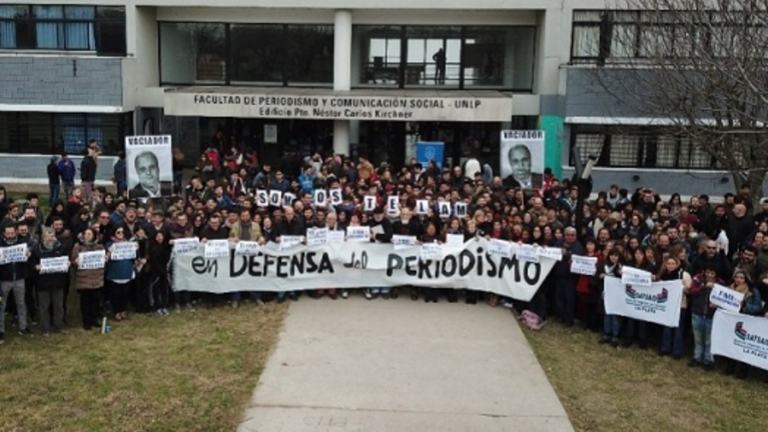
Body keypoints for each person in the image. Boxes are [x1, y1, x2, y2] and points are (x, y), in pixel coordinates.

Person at [31, 227, 69, 336]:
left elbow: (66, 259)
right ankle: (45, 329)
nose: (50, 238)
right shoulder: (36, 249)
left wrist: (67, 263)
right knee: (44, 307)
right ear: (43, 237)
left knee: (58, 306)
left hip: (58, 282)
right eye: (48, 236)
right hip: (42, 283)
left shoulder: (61, 248)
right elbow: (31, 264)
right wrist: (35, 267)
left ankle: (59, 326)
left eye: (52, 236)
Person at [686, 265, 724, 370]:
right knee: (698, 339)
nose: (709, 275)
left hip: (711, 316)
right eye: (708, 273)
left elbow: (725, 300)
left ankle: (708, 360)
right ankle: (697, 358)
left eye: (712, 274)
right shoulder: (698, 279)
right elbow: (691, 290)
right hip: (697, 314)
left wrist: (717, 304)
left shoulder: (720, 284)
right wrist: (704, 286)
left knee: (709, 341)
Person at [0, 223, 32, 342]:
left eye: (12, 233)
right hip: (4, 280)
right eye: (8, 233)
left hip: (19, 279)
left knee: (21, 304)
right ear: (4, 233)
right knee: (1, 306)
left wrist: (28, 254)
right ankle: (1, 330)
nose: (10, 235)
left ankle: (23, 327)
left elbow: (32, 249)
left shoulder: (21, 244)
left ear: (16, 233)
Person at [71, 228, 106, 331]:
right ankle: (86, 322)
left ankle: (94, 320)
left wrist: (106, 258)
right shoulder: (78, 246)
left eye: (89, 234)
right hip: (84, 278)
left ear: (94, 235)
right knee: (85, 302)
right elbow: (73, 260)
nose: (87, 236)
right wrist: (75, 261)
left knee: (95, 301)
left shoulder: (99, 246)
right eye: (85, 234)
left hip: (96, 278)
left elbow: (103, 259)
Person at [657, 256, 691, 360]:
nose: (671, 266)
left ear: (677, 264)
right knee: (666, 327)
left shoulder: (683, 275)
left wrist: (684, 286)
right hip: (667, 305)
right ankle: (665, 348)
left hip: (680, 305)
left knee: (678, 328)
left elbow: (689, 291)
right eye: (668, 263)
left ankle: (677, 351)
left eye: (673, 263)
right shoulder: (662, 275)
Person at [105, 224, 138, 321]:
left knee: (125, 293)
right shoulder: (109, 244)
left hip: (127, 271)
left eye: (122, 232)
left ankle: (123, 310)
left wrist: (136, 249)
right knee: (115, 294)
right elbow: (107, 258)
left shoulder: (129, 243)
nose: (121, 234)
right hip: (114, 272)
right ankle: (116, 311)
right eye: (118, 232)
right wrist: (109, 252)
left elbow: (135, 256)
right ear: (114, 233)